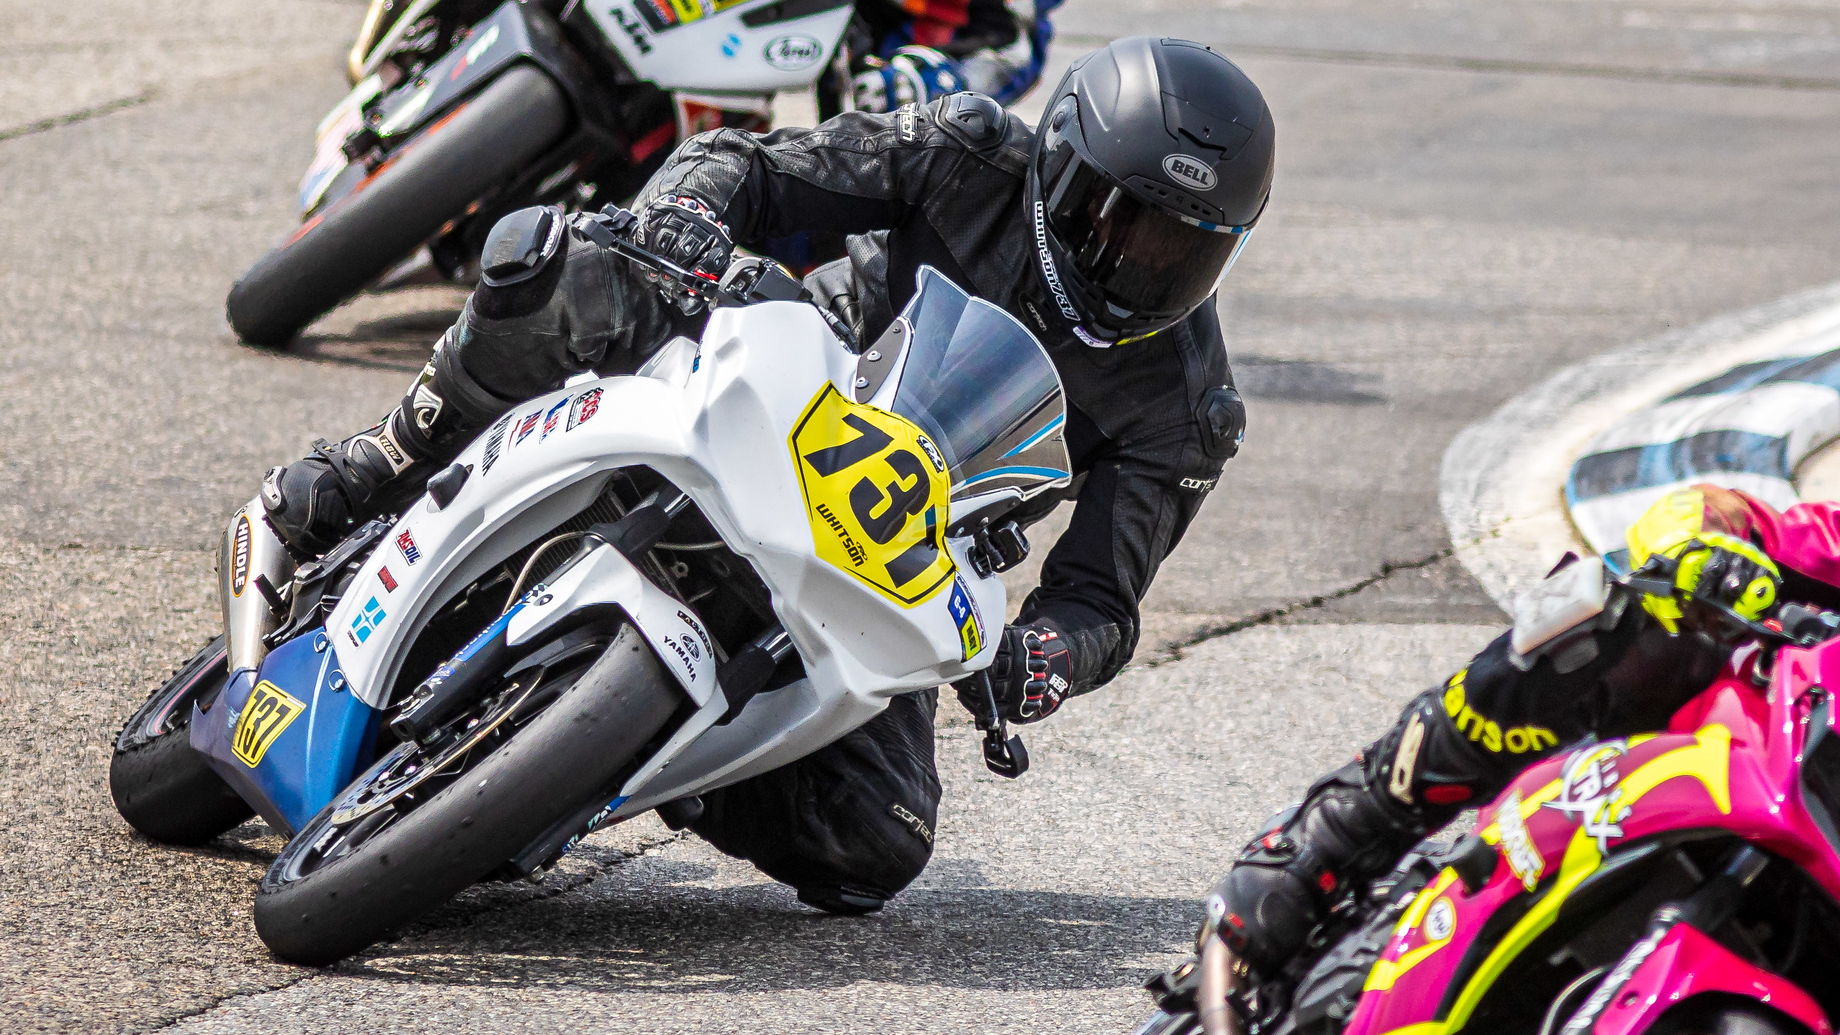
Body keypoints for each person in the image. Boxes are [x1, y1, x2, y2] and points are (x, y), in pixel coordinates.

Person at [258, 35, 1274, 915]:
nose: (1138, 265)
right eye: (1118, 219)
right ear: (1056, 163)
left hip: (897, 544)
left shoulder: (1189, 408)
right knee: (574, 268)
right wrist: (687, 213)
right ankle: (389, 455)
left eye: (1184, 248)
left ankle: (628, 757)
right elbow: (749, 164)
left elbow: (1099, 600)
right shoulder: (963, 151)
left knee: (878, 840)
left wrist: (1044, 655)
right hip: (777, 369)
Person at [1199, 482, 1833, 982]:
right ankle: (1341, 828)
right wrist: (1700, 549)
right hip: (1725, 768)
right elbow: (1708, 509)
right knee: (1632, 608)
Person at [846, 0, 1063, 114]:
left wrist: (924, 80)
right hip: (864, 29)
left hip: (936, 60)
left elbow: (1011, 51)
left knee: (895, 93)